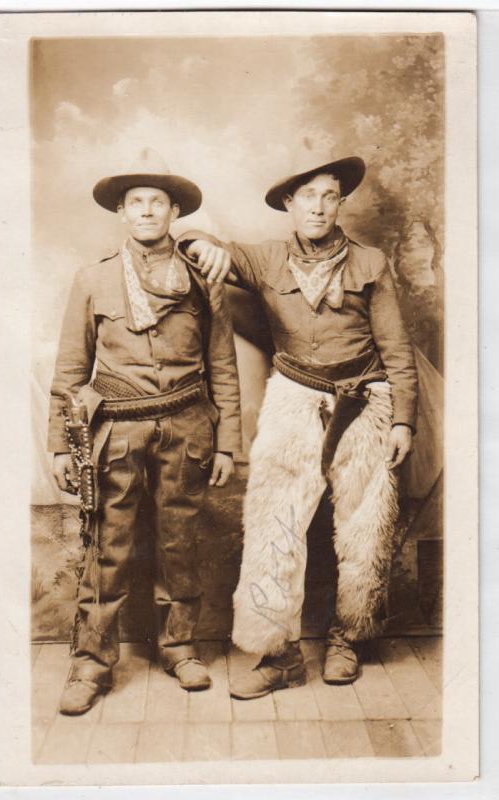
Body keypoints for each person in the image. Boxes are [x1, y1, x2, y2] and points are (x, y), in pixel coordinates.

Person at [178, 154, 418, 698]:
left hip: (364, 396)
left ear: (340, 203)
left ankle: (347, 641)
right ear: (289, 204)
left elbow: (397, 350)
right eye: (306, 196)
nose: (317, 206)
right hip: (293, 395)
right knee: (273, 518)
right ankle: (278, 654)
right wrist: (202, 244)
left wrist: (403, 419)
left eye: (328, 195)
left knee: (366, 522)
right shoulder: (265, 259)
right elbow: (194, 236)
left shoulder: (371, 263)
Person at [47, 148, 241, 715]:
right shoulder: (93, 279)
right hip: (118, 433)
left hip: (186, 425)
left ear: (174, 210)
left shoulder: (202, 280)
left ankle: (180, 648)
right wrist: (61, 445)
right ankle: (91, 663)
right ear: (123, 214)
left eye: (158, 202)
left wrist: (227, 439)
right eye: (137, 203)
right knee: (108, 547)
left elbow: (223, 364)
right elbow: (67, 373)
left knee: (179, 543)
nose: (148, 211)